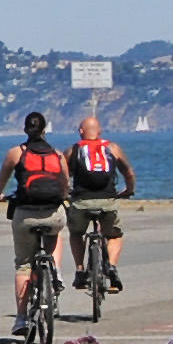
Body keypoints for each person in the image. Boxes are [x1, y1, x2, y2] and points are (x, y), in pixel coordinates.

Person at [0, 113, 75, 330]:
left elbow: (2, 178)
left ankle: (21, 319)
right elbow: (65, 184)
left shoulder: (16, 153)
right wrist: (64, 197)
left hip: (25, 214)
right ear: (45, 130)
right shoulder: (57, 154)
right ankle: (54, 269)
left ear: (25, 129)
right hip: (52, 213)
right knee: (55, 233)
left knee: (23, 265)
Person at [64, 113, 138, 291]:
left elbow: (63, 176)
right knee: (114, 235)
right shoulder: (113, 148)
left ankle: (80, 270)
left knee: (76, 233)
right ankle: (111, 266)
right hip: (107, 202)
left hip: (81, 202)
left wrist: (66, 194)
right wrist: (129, 190)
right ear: (100, 131)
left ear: (81, 132)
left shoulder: (73, 150)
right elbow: (129, 173)